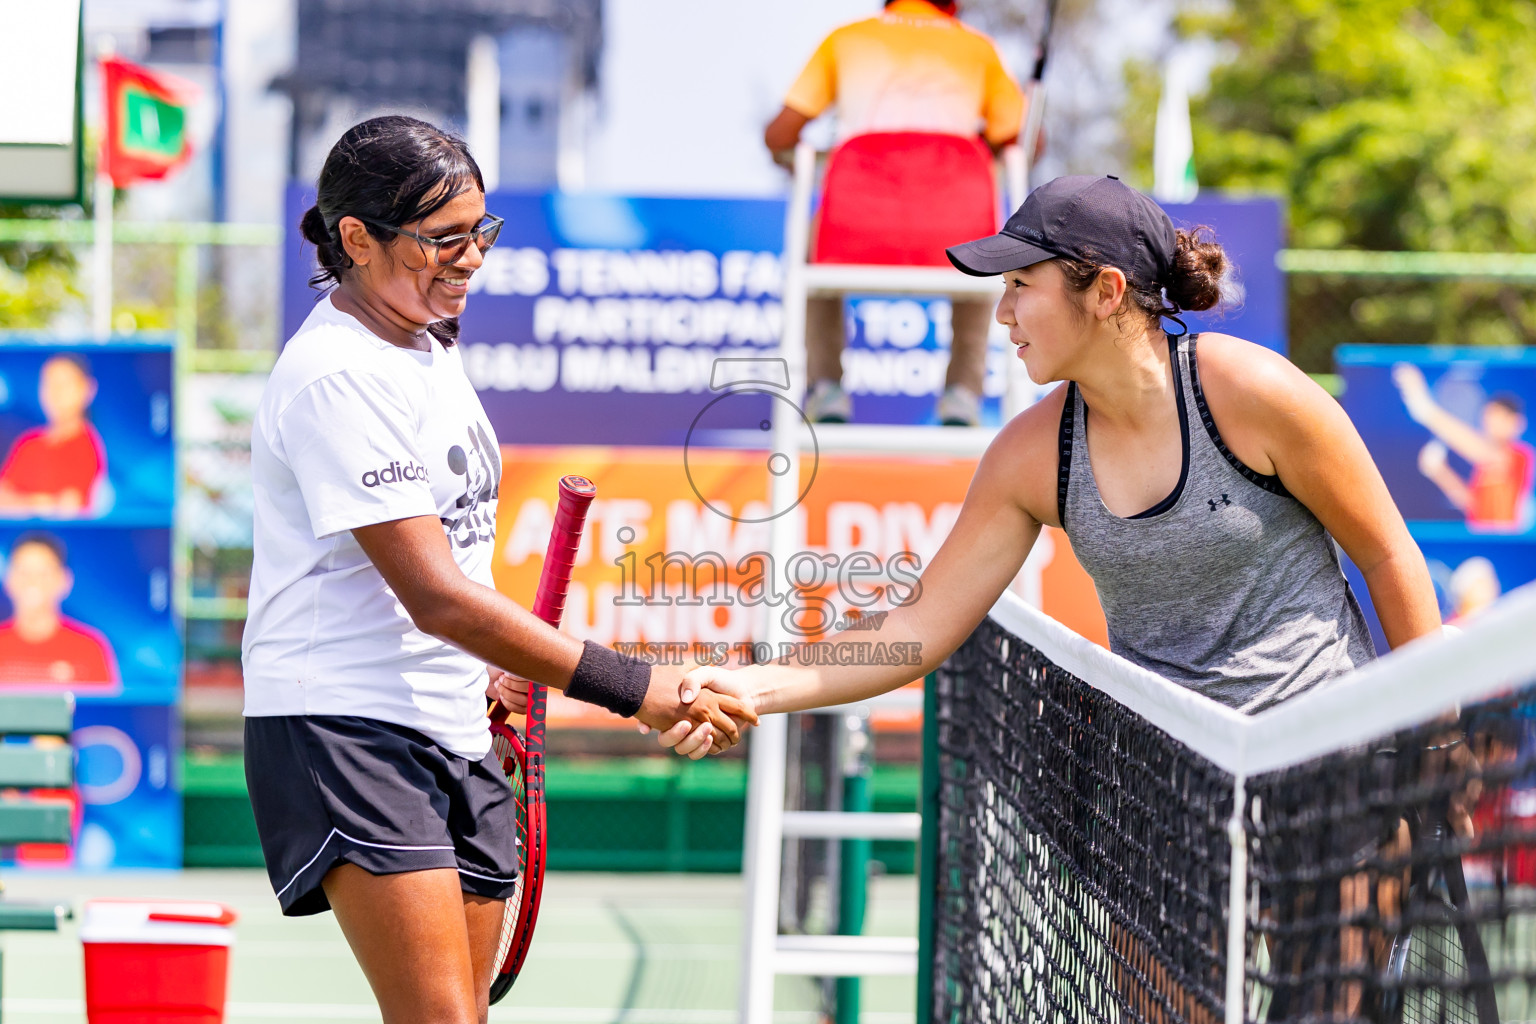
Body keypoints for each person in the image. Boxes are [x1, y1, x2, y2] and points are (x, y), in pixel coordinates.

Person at [664, 175, 1443, 1017]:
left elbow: (1388, 552)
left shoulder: (1253, 391)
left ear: (1106, 292)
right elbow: (918, 628)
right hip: (1168, 787)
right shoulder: (1031, 456)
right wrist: (754, 686)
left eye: (1020, 287)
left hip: (1329, 766)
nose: (1001, 315)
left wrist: (1438, 746)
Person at [241, 115, 754, 1024]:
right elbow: (436, 594)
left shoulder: (430, 348)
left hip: (450, 718)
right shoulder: (334, 374)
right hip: (346, 723)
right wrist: (634, 686)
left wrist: (491, 664)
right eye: (444, 238)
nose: (472, 257)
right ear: (355, 240)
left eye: (482, 232)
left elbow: (450, 560)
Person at [764, 0, 1025, 426]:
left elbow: (780, 134)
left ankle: (827, 387)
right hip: (954, 229)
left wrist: (808, 157)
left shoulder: (846, 38)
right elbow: (1022, 139)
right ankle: (963, 391)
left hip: (856, 226)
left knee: (811, 249)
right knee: (983, 245)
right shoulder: (979, 49)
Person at [1391, 364, 1534, 531]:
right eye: (1487, 417)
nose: (1490, 424)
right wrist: (1440, 472)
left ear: (1517, 423)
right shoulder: (1484, 468)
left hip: (1509, 543)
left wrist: (1425, 409)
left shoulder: (1521, 456)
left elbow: (1483, 452)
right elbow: (1473, 504)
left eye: (1498, 418)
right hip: (1480, 538)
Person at [0, 532, 118, 686]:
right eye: (24, 572)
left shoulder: (89, 648)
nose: (33, 581)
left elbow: (104, 709)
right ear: (9, 580)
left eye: (44, 573)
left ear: (64, 580)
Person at [0, 354, 108, 516]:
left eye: (64, 384)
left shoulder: (88, 447)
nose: (55, 393)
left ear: (87, 389)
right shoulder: (28, 443)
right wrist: (37, 503)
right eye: (48, 384)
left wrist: (24, 503)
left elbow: (67, 509)